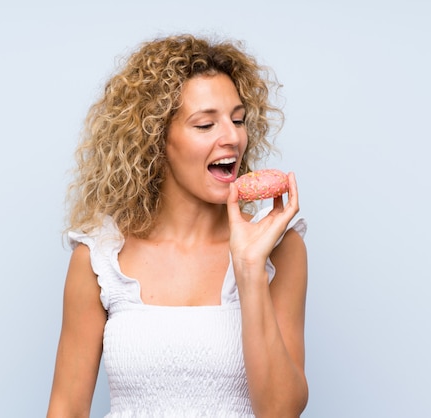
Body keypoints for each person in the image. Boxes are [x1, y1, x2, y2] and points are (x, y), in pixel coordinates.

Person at [46, 33, 309, 417]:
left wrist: (250, 269)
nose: (233, 137)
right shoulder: (100, 257)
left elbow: (281, 411)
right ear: (156, 140)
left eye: (238, 120)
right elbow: (66, 408)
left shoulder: (279, 248)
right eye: (206, 125)